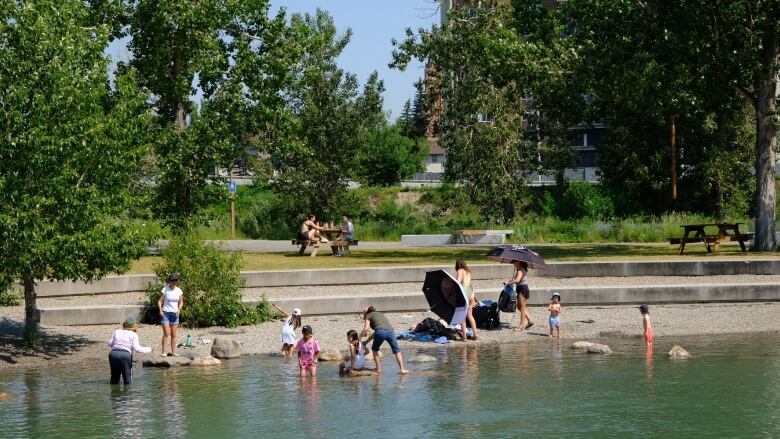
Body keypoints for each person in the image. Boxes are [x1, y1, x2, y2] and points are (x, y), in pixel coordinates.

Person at [360, 306, 410, 374]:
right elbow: (377, 331)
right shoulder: (380, 314)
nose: (363, 315)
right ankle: (402, 369)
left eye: (363, 314)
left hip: (380, 332)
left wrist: (359, 337)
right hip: (391, 331)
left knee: (374, 350)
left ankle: (378, 369)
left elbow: (366, 328)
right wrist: (366, 342)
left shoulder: (368, 315)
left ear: (366, 313)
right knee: (397, 351)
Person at [107, 317, 152, 384]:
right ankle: (127, 393)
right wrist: (149, 349)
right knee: (127, 379)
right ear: (134, 327)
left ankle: (114, 393)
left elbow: (109, 343)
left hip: (113, 354)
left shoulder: (117, 331)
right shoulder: (133, 335)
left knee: (114, 378)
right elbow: (137, 348)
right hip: (125, 355)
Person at [158, 273, 184, 357]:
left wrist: (179, 309)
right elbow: (159, 301)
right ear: (170, 281)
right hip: (166, 313)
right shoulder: (165, 289)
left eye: (176, 280)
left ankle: (174, 352)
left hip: (175, 314)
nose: (174, 282)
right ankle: (163, 352)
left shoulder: (179, 290)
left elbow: (181, 302)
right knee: (166, 333)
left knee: (174, 334)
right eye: (173, 280)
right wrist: (160, 310)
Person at [504, 261, 534, 329]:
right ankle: (530, 321)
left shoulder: (520, 271)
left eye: (514, 262)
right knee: (519, 307)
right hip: (521, 288)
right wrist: (511, 281)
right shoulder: (521, 269)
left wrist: (508, 282)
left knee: (522, 307)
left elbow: (517, 280)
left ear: (519, 262)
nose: (513, 263)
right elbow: (517, 280)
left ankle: (521, 325)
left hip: (522, 289)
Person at [455, 258, 478, 341]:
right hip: (471, 293)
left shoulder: (460, 271)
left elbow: (458, 282)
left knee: (462, 316)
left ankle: (464, 336)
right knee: (470, 315)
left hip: (464, 294)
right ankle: (475, 333)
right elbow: (469, 284)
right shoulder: (468, 272)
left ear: (457, 265)